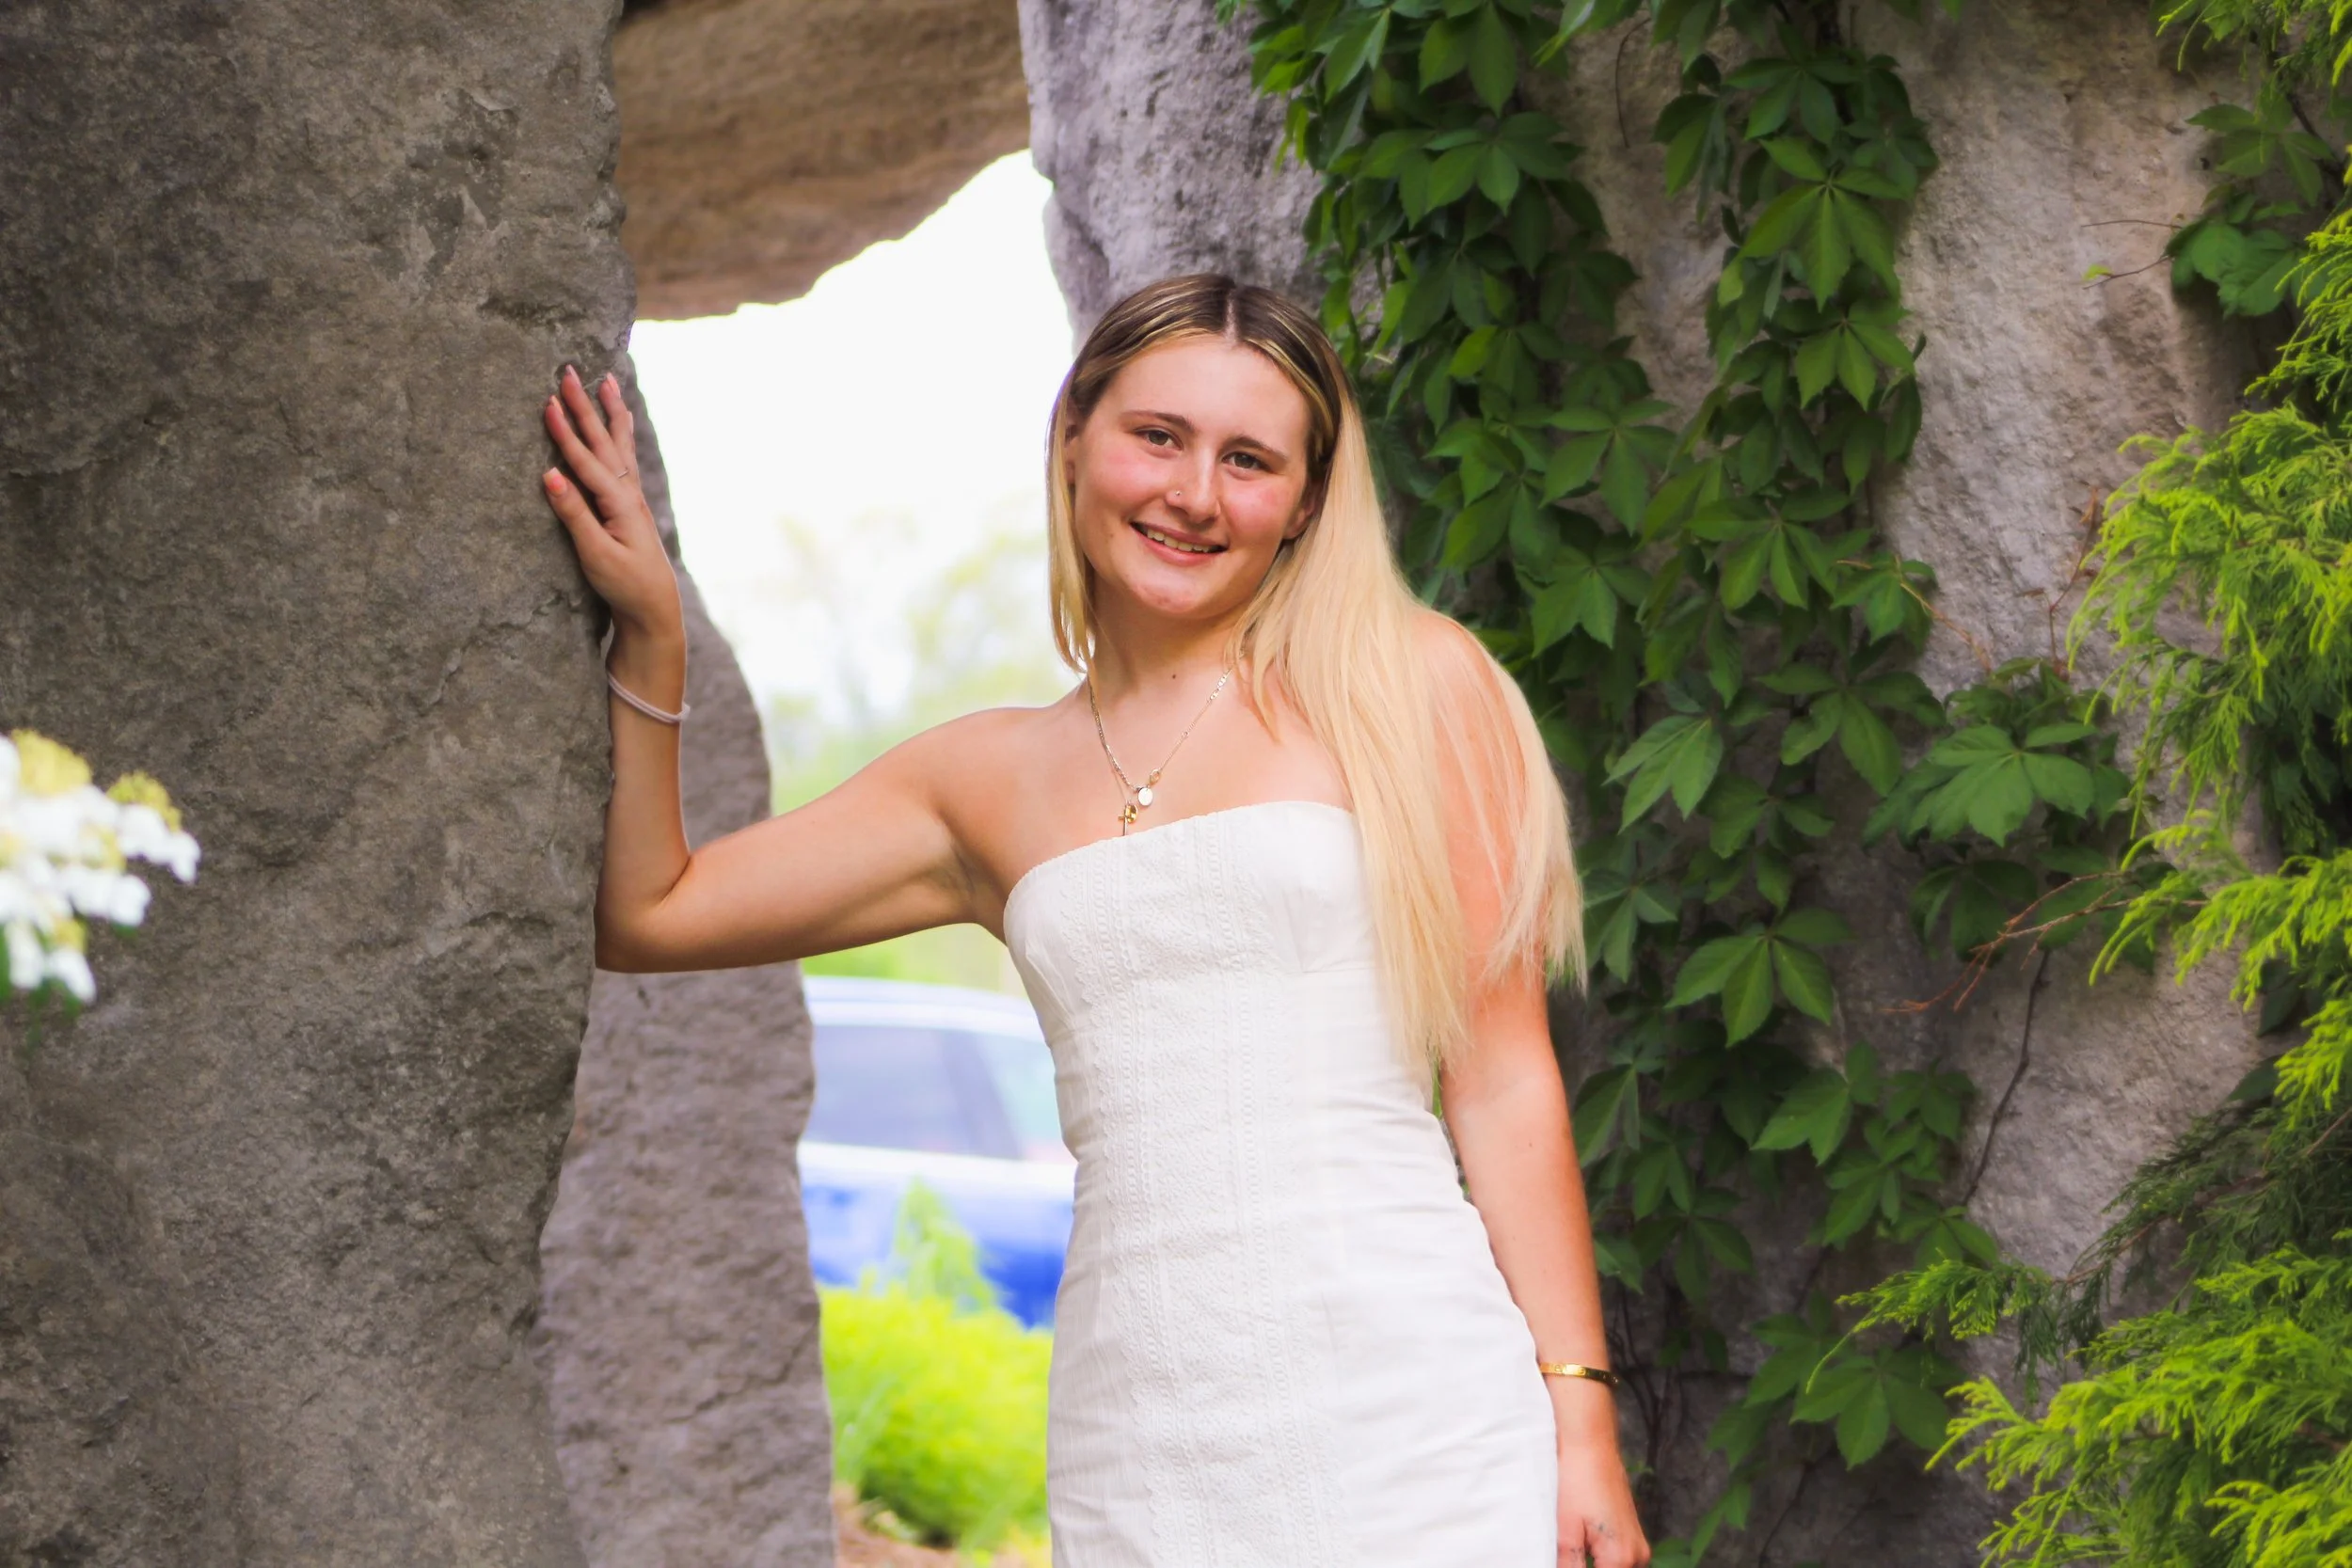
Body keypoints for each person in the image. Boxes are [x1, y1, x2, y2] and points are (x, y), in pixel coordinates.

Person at [537, 274, 1650, 1568]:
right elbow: (653, 910)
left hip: (1413, 1407)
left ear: (1301, 505)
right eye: (1159, 437)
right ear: (1077, 438)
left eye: (1248, 460)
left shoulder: (1410, 685)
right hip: (1143, 1432)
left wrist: (1579, 1417)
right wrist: (654, 634)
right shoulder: (981, 779)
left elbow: (1506, 1078)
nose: (1194, 494)